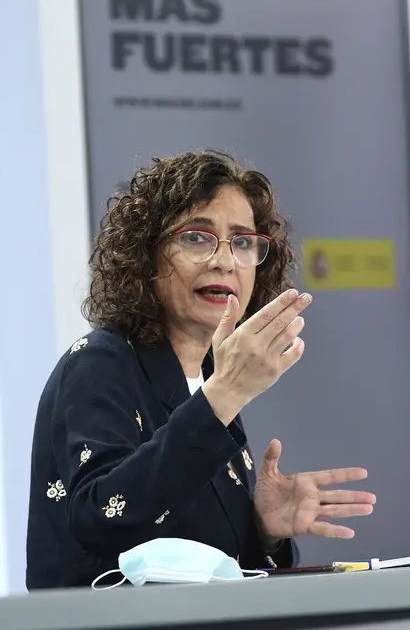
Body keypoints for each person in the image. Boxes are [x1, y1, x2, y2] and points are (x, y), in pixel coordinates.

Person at [25, 150, 376, 589]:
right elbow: (104, 517)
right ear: (146, 255)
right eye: (196, 237)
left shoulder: (207, 376)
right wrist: (223, 396)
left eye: (243, 242)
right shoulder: (101, 362)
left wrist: (264, 531)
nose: (225, 261)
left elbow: (211, 566)